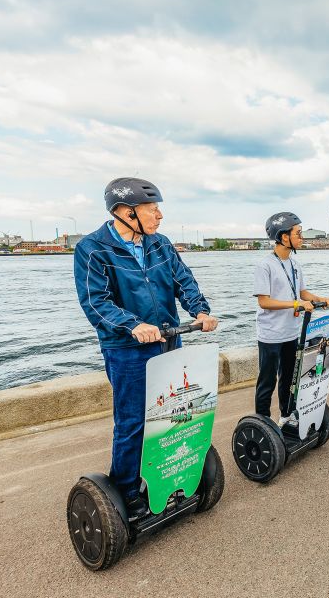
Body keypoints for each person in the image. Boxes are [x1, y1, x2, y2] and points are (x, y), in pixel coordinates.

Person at [74, 177, 219, 517]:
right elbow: (95, 302)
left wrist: (199, 310)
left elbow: (184, 280)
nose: (159, 216)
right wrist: (133, 325)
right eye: (152, 209)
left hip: (169, 339)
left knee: (175, 415)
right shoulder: (93, 249)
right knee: (133, 421)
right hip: (127, 350)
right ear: (126, 212)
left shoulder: (160, 244)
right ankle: (126, 490)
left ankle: (170, 473)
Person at [254, 212, 329, 426]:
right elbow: (264, 301)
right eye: (298, 233)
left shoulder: (295, 264)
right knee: (267, 381)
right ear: (283, 237)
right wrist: (295, 304)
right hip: (271, 334)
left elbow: (302, 292)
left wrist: (320, 299)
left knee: (290, 378)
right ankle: (262, 424)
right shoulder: (265, 265)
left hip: (292, 331)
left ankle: (286, 415)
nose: (302, 237)